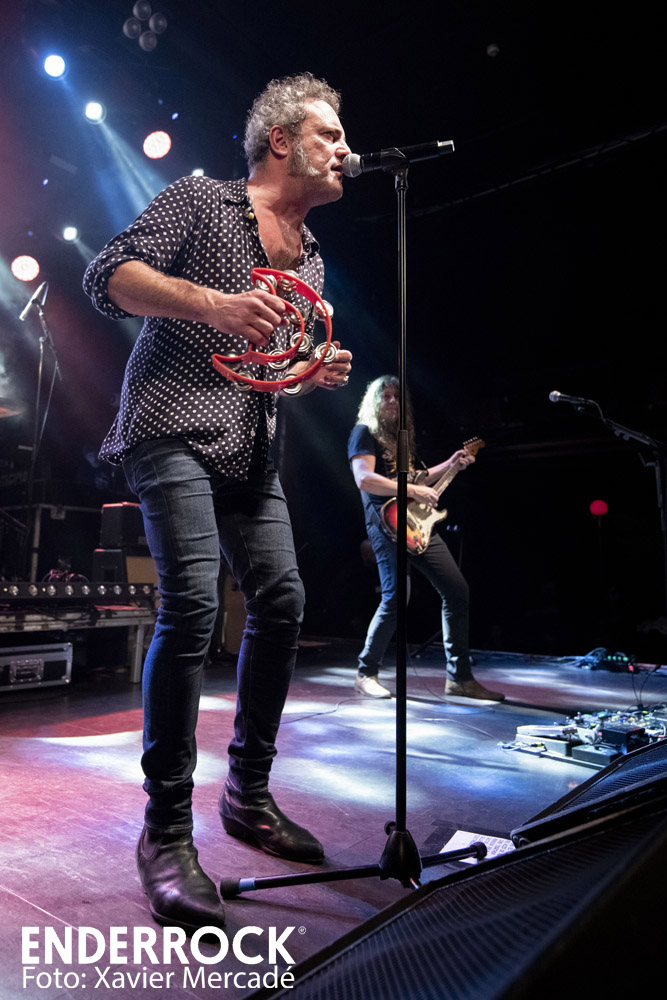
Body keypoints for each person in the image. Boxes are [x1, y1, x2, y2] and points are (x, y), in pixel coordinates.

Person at [83, 72, 352, 932]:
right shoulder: (202, 202)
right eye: (329, 134)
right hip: (167, 428)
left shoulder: (310, 255)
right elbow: (107, 275)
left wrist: (307, 371)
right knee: (194, 607)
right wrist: (215, 304)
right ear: (281, 140)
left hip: (250, 448)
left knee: (283, 602)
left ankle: (247, 794)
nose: (345, 149)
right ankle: (165, 832)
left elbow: (267, 368)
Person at [348, 375, 504, 703]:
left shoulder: (402, 438)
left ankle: (459, 678)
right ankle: (366, 673)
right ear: (374, 402)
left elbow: (417, 480)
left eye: (397, 396)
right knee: (396, 599)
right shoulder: (364, 432)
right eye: (385, 396)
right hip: (386, 525)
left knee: (457, 591)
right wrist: (413, 489)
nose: (392, 401)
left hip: (417, 524)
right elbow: (364, 479)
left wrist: (451, 463)